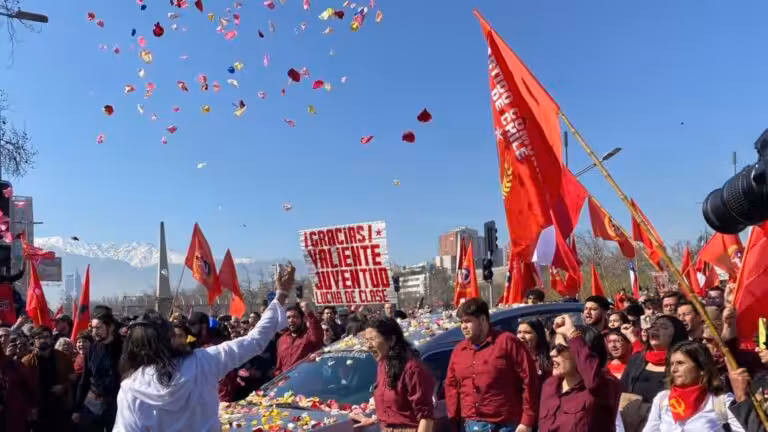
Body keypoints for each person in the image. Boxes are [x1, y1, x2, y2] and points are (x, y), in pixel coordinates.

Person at [112, 262, 294, 431]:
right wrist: (281, 294)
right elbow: (256, 340)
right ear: (169, 338)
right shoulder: (203, 362)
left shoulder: (131, 388)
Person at [445, 298, 539, 432]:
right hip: (473, 425)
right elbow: (452, 387)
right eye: (461, 322)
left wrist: (527, 421)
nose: (463, 326)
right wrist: (454, 421)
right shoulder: (459, 351)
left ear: (483, 320)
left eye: (468, 321)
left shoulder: (507, 342)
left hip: (507, 425)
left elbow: (528, 380)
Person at [349, 317, 435, 432]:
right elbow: (392, 408)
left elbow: (426, 417)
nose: (368, 345)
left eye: (373, 339)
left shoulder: (412, 369)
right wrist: (375, 419)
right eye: (367, 340)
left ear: (391, 340)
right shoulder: (382, 364)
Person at [538, 315, 621, 432]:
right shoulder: (550, 385)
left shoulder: (605, 384)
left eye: (560, 348)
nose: (552, 353)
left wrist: (573, 335)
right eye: (553, 347)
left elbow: (593, 381)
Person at [643, 340, 745, 431]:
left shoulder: (720, 402)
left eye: (680, 363)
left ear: (701, 368)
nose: (674, 369)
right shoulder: (662, 399)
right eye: (672, 364)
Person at [73, 306, 124, 432]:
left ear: (111, 327)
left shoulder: (124, 349)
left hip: (116, 406)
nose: (94, 332)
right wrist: (77, 408)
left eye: (98, 328)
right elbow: (84, 380)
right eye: (93, 328)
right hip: (92, 406)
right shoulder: (92, 349)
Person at [23, 326, 75, 432]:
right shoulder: (27, 362)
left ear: (51, 339)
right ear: (33, 340)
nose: (43, 340)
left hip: (60, 408)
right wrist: (29, 408)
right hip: (39, 410)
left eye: (46, 337)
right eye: (39, 338)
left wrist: (63, 387)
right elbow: (22, 388)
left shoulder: (63, 358)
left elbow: (72, 379)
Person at [273, 301, 323, 376]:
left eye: (295, 317)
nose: (291, 320)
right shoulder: (281, 340)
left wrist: (309, 313)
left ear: (303, 319)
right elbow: (279, 366)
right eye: (288, 318)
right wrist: (279, 380)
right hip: (287, 384)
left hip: (307, 381)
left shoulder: (309, 336)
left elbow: (317, 335)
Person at [517, 319, 552, 389]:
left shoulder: (550, 358)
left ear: (538, 335)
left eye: (527, 332)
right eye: (519, 332)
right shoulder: (515, 358)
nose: (521, 336)